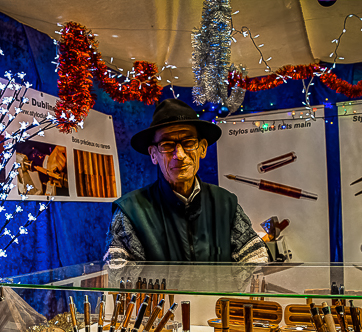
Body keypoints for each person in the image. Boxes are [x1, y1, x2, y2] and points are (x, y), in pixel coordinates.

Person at [104, 99, 270, 263]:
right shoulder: (131, 211)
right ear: (153, 154)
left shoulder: (226, 203)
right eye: (167, 145)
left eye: (189, 143)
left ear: (202, 148)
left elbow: (256, 259)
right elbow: (120, 277)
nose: (180, 155)